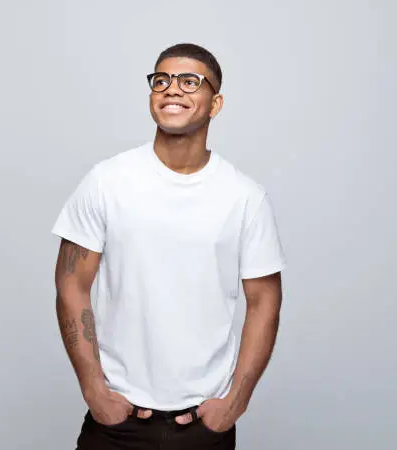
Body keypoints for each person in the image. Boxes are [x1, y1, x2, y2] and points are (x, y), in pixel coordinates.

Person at [51, 43, 287, 450]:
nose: (172, 89)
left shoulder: (245, 197)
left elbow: (265, 301)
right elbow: (71, 284)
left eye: (189, 81)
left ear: (216, 103)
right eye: (161, 80)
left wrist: (235, 402)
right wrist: (93, 389)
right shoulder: (107, 182)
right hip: (116, 423)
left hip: (202, 427)